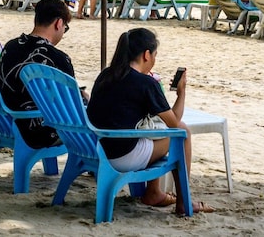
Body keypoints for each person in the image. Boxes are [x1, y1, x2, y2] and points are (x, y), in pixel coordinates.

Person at [86, 28, 214, 215]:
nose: (154, 60)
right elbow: (174, 123)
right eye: (155, 55)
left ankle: (154, 192)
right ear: (146, 55)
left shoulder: (106, 75)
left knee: (152, 132)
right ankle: (184, 203)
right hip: (123, 155)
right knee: (184, 133)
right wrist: (181, 92)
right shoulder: (146, 84)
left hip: (98, 147)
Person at [0, 0, 88, 148]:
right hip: (41, 130)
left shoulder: (10, 46)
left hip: (7, 121)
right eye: (65, 27)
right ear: (59, 23)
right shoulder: (58, 58)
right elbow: (70, 106)